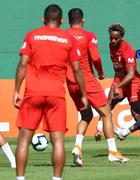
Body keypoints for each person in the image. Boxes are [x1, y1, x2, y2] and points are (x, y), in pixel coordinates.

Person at [13, 4, 89, 180]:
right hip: (56, 95)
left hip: (33, 93)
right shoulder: (68, 39)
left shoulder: (32, 35)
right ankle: (56, 178)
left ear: (43, 20)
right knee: (58, 141)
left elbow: (23, 64)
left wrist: (16, 90)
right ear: (62, 21)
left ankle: (20, 178)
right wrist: (83, 94)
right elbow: (77, 70)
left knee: (24, 139)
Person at [66, 8, 129, 166]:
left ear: (68, 21)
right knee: (107, 113)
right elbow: (95, 57)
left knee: (86, 116)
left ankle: (77, 146)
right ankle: (113, 152)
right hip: (87, 79)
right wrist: (100, 73)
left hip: (71, 82)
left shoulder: (63, 37)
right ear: (83, 20)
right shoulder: (89, 35)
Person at [103, 23, 140, 157]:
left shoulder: (127, 50)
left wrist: (117, 87)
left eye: (116, 39)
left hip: (133, 81)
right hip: (119, 79)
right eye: (111, 38)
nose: (113, 41)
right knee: (107, 105)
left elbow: (131, 74)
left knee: (136, 114)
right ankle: (102, 130)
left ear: (122, 37)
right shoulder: (111, 46)